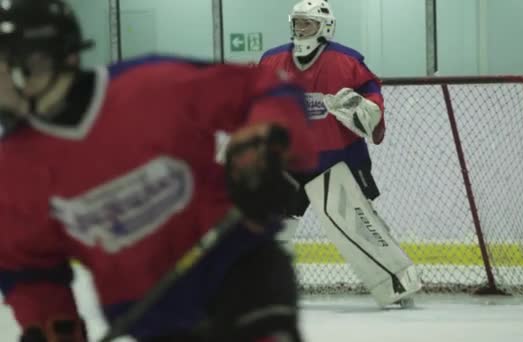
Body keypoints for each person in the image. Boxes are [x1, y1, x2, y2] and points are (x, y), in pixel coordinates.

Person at [0, 0, 317, 341]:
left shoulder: (152, 86)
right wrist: (52, 325)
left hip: (238, 269)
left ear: (45, 61)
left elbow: (267, 85)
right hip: (152, 316)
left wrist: (268, 136)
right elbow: (29, 266)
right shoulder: (15, 166)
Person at [259, 0, 421, 307]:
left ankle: (399, 285)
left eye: (307, 23)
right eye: (297, 22)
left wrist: (366, 110)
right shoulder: (272, 60)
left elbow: (372, 96)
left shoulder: (347, 61)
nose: (300, 28)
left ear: (325, 26)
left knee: (358, 223)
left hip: (338, 159)